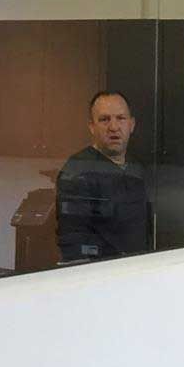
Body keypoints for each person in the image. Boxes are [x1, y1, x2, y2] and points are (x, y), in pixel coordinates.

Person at [56, 91, 149, 264]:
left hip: (138, 268)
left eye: (121, 118)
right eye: (104, 119)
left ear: (132, 125)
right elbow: (74, 240)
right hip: (101, 271)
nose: (113, 127)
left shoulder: (137, 168)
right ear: (92, 127)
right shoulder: (78, 170)